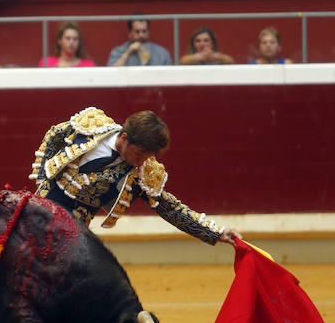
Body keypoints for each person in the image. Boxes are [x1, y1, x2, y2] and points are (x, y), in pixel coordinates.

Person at [30, 105, 240, 244]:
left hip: (74, 226)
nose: (141, 162)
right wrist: (41, 178)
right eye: (139, 154)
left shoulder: (141, 174)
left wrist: (216, 232)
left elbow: (170, 208)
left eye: (148, 156)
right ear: (124, 138)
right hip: (42, 203)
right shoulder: (93, 126)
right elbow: (55, 134)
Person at [106, 17, 172, 67]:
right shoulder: (118, 51)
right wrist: (127, 53)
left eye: (144, 31)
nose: (141, 35)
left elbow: (170, 76)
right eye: (137, 32)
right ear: (130, 34)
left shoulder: (162, 53)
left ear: (149, 32)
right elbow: (111, 74)